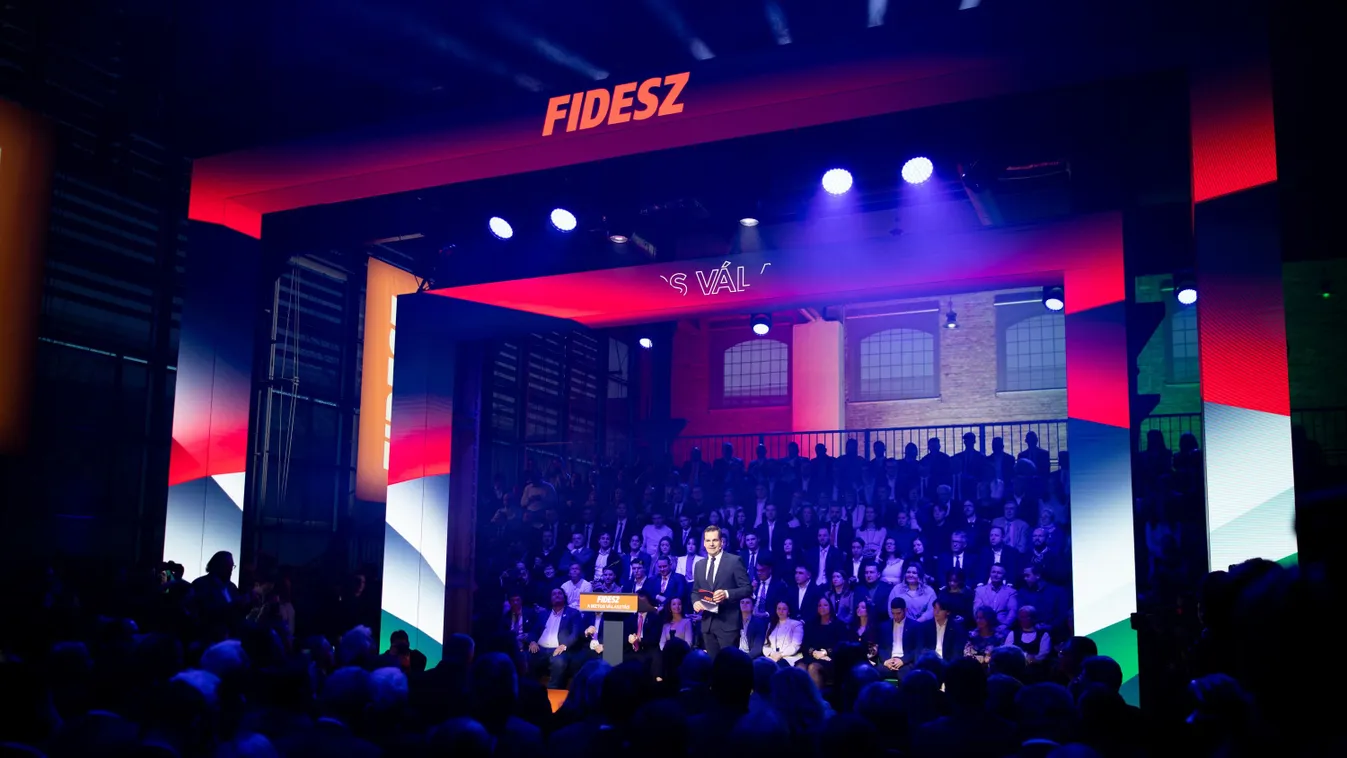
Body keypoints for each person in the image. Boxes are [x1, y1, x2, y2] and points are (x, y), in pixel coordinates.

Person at [692, 524, 753, 658]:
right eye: (708, 540)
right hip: (707, 624)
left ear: (722, 542)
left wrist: (727, 594)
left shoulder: (734, 561)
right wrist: (695, 602)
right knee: (713, 666)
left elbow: (747, 588)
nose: (711, 544)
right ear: (704, 543)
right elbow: (695, 591)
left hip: (728, 625)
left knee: (728, 665)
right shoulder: (699, 565)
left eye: (715, 540)